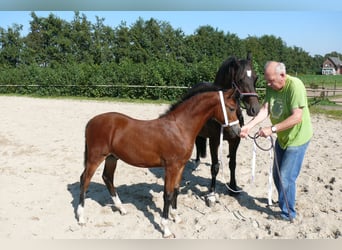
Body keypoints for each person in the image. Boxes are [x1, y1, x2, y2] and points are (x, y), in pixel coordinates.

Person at [240, 61, 313, 221]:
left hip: (298, 137)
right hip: (283, 137)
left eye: (271, 80)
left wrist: (271, 129)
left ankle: (288, 214)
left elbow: (297, 117)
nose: (268, 83)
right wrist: (249, 126)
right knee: (277, 174)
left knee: (286, 176)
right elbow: (266, 109)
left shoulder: (295, 86)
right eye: (266, 80)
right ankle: (284, 200)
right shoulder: (271, 86)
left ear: (282, 75)